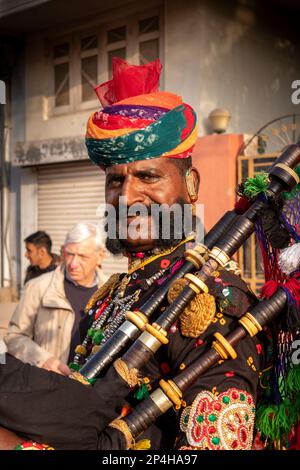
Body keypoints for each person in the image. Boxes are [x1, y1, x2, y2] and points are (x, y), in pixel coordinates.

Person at [0, 58, 262, 450]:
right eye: (116, 181)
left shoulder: (211, 299)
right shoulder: (110, 294)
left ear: (190, 184)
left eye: (148, 176)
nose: (127, 197)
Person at [4, 223, 107, 375]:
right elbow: (14, 336)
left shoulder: (113, 292)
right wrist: (43, 359)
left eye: (83, 256)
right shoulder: (38, 287)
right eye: (69, 254)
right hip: (49, 384)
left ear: (100, 256)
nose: (73, 264)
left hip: (94, 390)